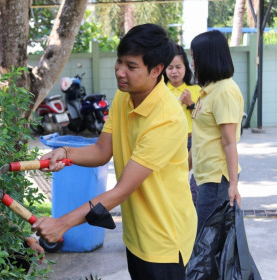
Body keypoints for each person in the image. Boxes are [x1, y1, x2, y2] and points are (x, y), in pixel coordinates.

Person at [32, 23, 197, 280]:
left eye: (131, 67)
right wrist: (64, 153)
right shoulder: (124, 96)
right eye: (119, 62)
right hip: (136, 233)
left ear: (156, 70)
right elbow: (101, 151)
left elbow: (121, 190)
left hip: (164, 239)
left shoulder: (166, 119)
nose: (120, 72)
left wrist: (62, 223)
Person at [189, 30, 244, 233]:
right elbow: (202, 138)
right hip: (204, 177)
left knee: (206, 243)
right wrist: (182, 168)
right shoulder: (208, 91)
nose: (192, 63)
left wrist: (233, 185)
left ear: (207, 58)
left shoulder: (225, 91)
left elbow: (229, 142)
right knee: (207, 243)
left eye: (195, 57)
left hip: (217, 180)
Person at [164, 44, 201, 205]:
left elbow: (204, 118)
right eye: (170, 67)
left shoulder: (196, 90)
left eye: (178, 67)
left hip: (193, 141)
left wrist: (191, 103)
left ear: (186, 68)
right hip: (170, 141)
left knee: (191, 179)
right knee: (173, 178)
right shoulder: (161, 91)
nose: (174, 71)